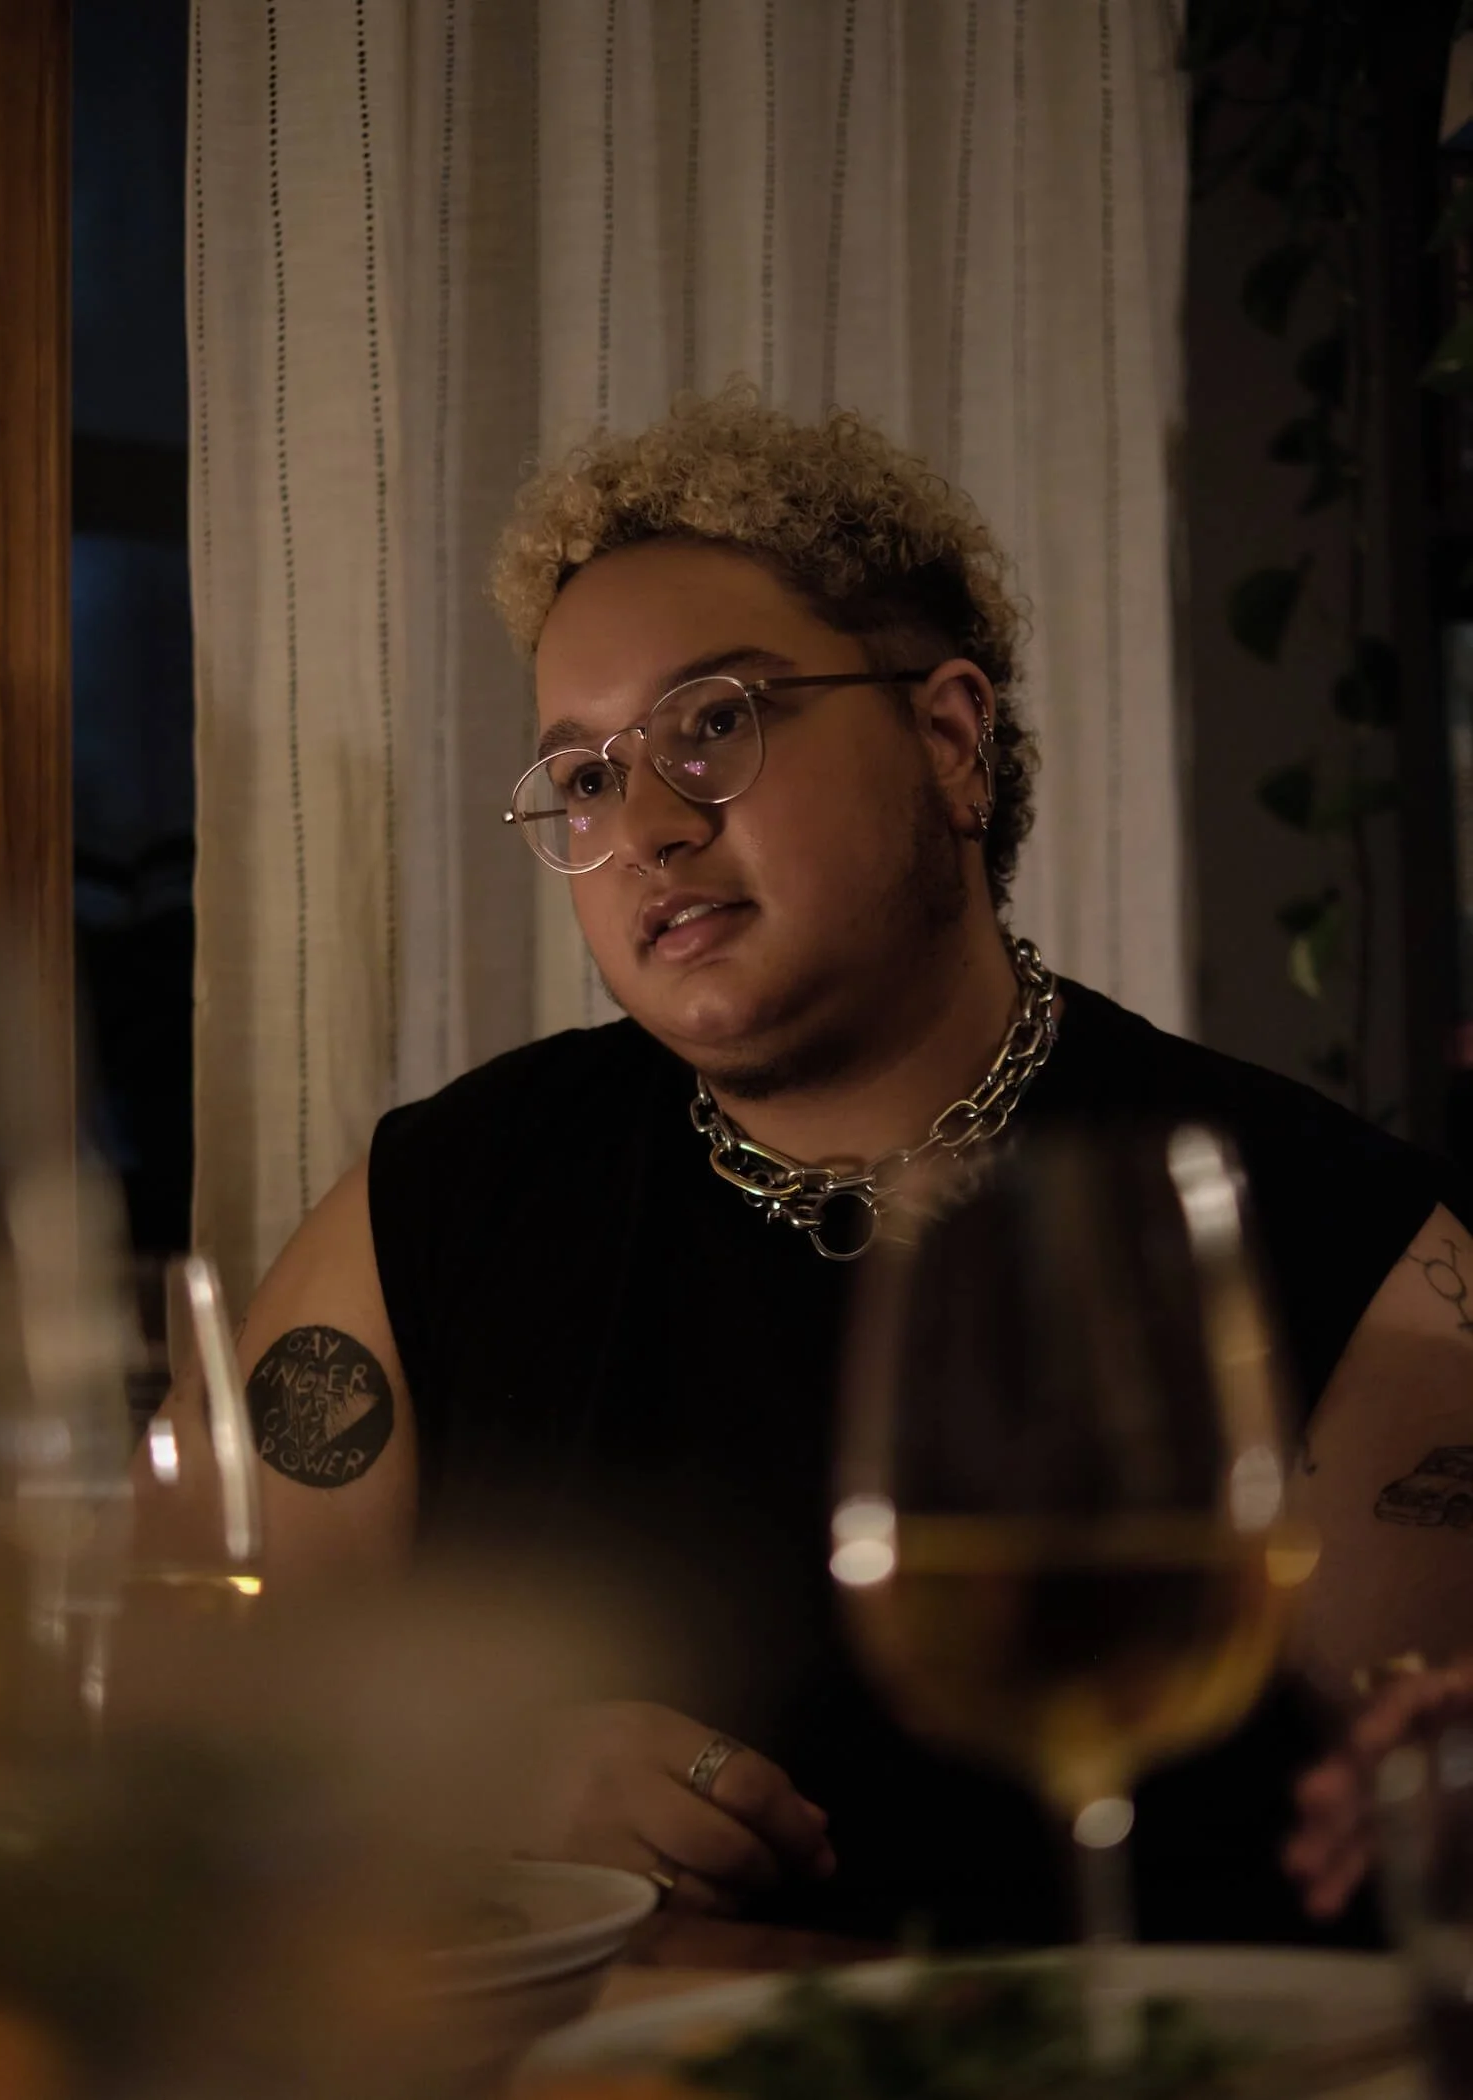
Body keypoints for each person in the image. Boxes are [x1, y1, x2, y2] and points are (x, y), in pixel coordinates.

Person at [228, 386, 1473, 1945]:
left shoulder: (1344, 1245)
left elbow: (1407, 1908)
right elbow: (184, 1682)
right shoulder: (443, 1199)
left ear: (950, 739)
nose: (650, 829)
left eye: (716, 723)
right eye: (590, 777)